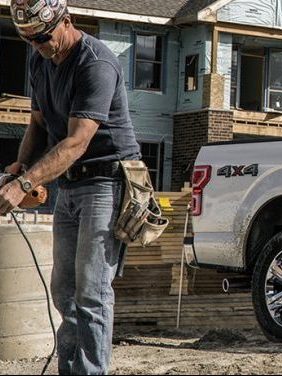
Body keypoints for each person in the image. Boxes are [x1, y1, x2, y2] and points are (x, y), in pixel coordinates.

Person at [0, 0, 141, 374]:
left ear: (67, 21)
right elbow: (38, 123)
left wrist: (25, 184)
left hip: (106, 181)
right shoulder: (40, 61)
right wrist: (20, 167)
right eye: (29, 39)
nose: (37, 46)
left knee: (92, 291)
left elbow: (77, 142)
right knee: (64, 289)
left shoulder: (95, 64)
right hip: (70, 183)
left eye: (43, 37)